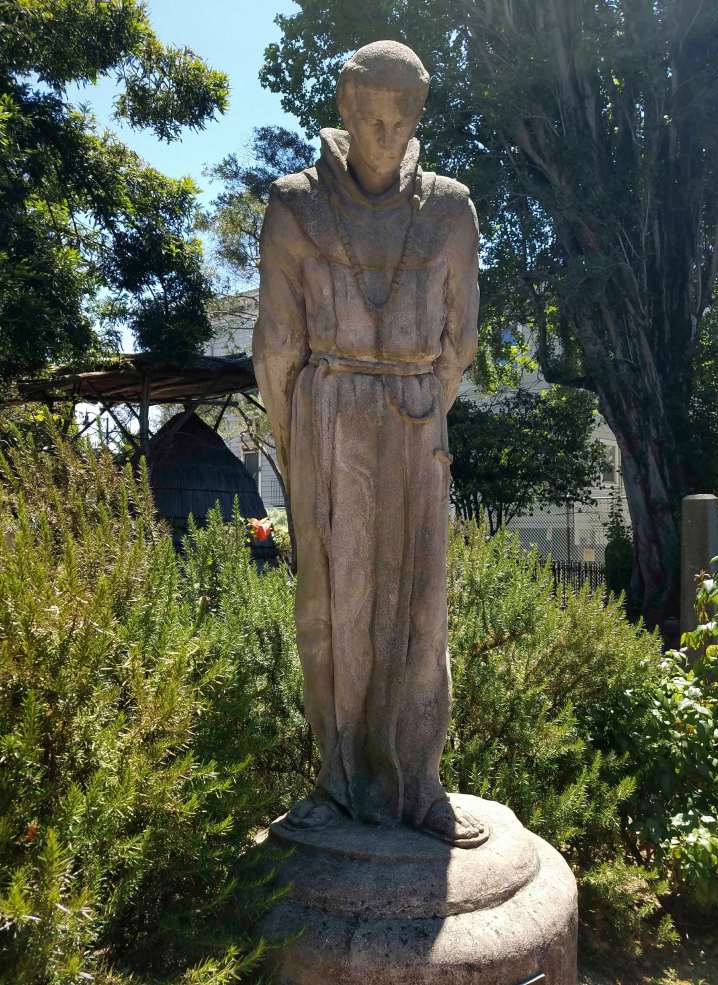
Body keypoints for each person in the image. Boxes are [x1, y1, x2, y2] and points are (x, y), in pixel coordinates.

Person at [253, 40, 485, 847]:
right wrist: (305, 436)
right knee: (332, 607)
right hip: (327, 417)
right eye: (371, 118)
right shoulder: (294, 205)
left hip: (416, 419)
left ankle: (419, 782)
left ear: (418, 116)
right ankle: (337, 777)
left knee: (420, 608)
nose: (386, 135)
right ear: (346, 112)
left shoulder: (450, 209)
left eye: (401, 119)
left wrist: (411, 403)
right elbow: (276, 342)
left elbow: (460, 339)